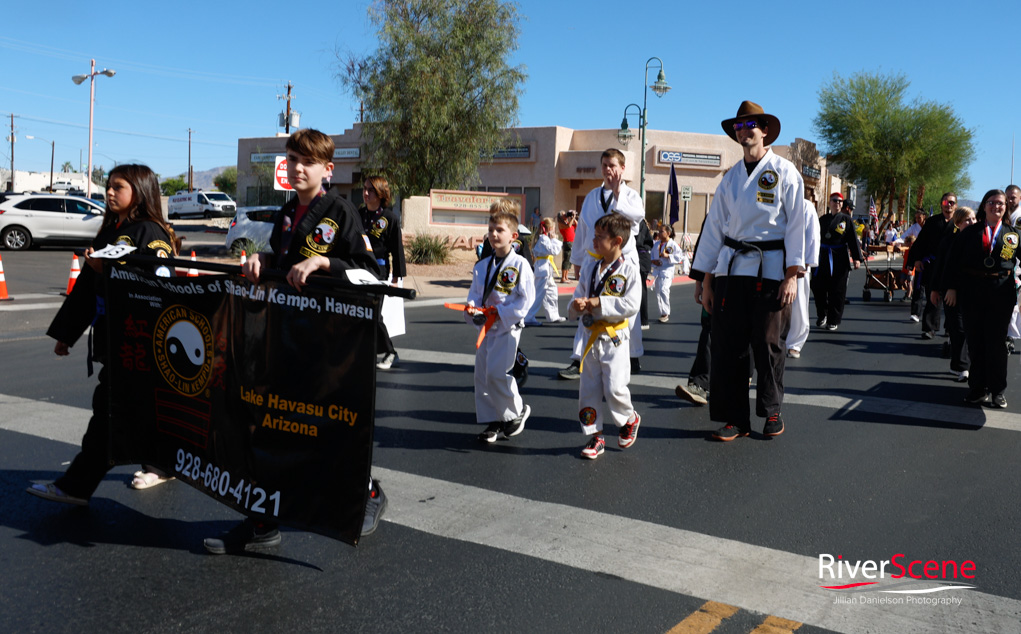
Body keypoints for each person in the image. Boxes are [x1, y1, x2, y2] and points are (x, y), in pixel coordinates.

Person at [204, 129, 386, 555]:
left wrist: (326, 261)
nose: (297, 167)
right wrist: (261, 259)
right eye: (291, 159)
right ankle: (263, 521)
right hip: (286, 337)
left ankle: (369, 493)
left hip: (331, 345)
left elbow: (368, 271)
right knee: (271, 427)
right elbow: (283, 263)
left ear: (328, 169)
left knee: (331, 430)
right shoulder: (286, 214)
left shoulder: (341, 212)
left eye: (306, 161)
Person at [26, 164, 177, 506]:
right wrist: (67, 333)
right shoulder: (111, 230)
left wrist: (110, 269)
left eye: (118, 187)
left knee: (108, 412)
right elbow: (85, 289)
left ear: (139, 191)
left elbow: (159, 282)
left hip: (141, 339)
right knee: (140, 409)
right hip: (113, 336)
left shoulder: (150, 232)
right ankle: (161, 464)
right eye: (108, 186)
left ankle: (76, 486)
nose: (109, 193)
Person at [691, 100, 811, 441]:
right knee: (729, 345)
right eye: (740, 127)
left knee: (769, 341)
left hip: (771, 268)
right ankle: (736, 419)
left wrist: (791, 274)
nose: (745, 131)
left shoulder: (785, 172)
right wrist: (706, 279)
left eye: (751, 125)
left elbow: (796, 225)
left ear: (765, 130)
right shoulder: (729, 178)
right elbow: (715, 229)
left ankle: (772, 412)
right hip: (731, 268)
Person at [559, 149, 645, 380]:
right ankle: (578, 358)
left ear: (622, 168)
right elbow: (583, 231)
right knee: (586, 304)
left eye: (613, 165)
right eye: (605, 165)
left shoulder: (632, 196)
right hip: (594, 259)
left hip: (622, 261)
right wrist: (577, 259)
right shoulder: (591, 197)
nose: (608, 170)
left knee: (628, 311)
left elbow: (635, 219)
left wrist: (618, 193)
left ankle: (632, 356)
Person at [569, 213, 641, 459]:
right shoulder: (590, 268)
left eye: (600, 237)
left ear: (617, 241)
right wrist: (576, 305)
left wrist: (599, 302)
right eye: (594, 236)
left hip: (614, 338)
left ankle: (629, 418)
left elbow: (632, 304)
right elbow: (578, 294)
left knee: (614, 388)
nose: (594, 241)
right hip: (590, 335)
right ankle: (595, 435)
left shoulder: (630, 270)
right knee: (587, 388)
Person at [465, 200, 535, 442]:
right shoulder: (482, 266)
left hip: (507, 327)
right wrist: (472, 309)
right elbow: (475, 294)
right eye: (491, 229)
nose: (494, 235)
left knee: (497, 373)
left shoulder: (520, 264)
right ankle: (494, 420)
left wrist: (501, 314)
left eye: (500, 230)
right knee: (483, 375)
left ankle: (516, 412)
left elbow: (525, 300)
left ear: (513, 236)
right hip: (486, 327)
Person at [945, 190, 1019, 408]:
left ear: (1006, 207)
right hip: (972, 293)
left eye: (1001, 203)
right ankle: (978, 389)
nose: (996, 206)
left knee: (996, 344)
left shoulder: (1012, 235)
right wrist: (950, 288)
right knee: (976, 343)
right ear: (984, 206)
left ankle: (998, 392)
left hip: (1001, 295)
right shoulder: (969, 233)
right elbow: (952, 262)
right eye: (992, 202)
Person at [358, 175, 406, 371]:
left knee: (373, 313)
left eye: (370, 190)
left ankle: (390, 352)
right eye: (364, 188)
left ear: (380, 194)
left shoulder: (390, 218)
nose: (365, 193)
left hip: (379, 271)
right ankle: (363, 351)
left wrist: (396, 277)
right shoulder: (358, 214)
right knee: (359, 312)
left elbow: (397, 249)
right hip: (358, 269)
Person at [930, 205, 976, 382]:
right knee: (958, 329)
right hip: (952, 292)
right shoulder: (949, 241)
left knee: (969, 330)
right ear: (957, 223)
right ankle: (962, 367)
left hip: (973, 293)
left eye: (973, 219)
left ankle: (959, 364)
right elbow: (941, 267)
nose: (971, 222)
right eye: (967, 220)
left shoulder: (981, 240)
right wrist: (937, 289)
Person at [811, 192, 863, 331]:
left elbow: (853, 240)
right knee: (818, 288)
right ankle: (822, 314)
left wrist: (857, 258)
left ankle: (833, 320)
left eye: (840, 201)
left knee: (837, 291)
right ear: (830, 203)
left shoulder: (846, 220)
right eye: (835, 201)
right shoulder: (822, 219)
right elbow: (813, 238)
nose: (838, 203)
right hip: (822, 257)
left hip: (839, 258)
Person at [908, 193, 957, 339]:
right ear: (941, 204)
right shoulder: (932, 222)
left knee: (952, 299)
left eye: (952, 202)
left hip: (953, 266)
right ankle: (930, 328)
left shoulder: (960, 222)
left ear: (956, 205)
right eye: (946, 202)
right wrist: (916, 260)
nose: (948, 205)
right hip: (933, 265)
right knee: (932, 296)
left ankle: (950, 328)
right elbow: (921, 242)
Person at [786, 198, 821, 358]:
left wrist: (807, 263)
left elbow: (813, 234)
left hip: (798, 262)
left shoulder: (806, 206)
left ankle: (795, 343)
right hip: (776, 259)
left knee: (798, 302)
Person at [524, 217, 565, 325]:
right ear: (550, 228)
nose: (555, 230)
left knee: (552, 291)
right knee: (538, 294)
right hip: (542, 269)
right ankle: (528, 316)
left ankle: (553, 315)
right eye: (554, 228)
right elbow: (554, 251)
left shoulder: (544, 238)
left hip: (546, 268)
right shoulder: (543, 239)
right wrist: (554, 239)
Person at [651, 224, 682, 322]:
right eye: (659, 231)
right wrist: (653, 261)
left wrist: (668, 256)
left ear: (668, 233)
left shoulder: (672, 245)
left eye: (661, 231)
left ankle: (666, 312)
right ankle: (663, 313)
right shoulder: (656, 244)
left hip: (667, 270)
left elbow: (679, 257)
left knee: (664, 289)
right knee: (658, 291)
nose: (659, 233)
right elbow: (651, 256)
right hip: (658, 270)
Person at [557, 210, 577, 283]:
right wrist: (572, 219)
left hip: (572, 242)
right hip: (567, 243)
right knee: (566, 260)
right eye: (563, 214)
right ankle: (563, 278)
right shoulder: (561, 223)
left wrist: (573, 218)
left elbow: (576, 226)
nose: (565, 215)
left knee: (569, 261)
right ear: (560, 216)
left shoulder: (568, 222)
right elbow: (568, 226)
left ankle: (566, 277)